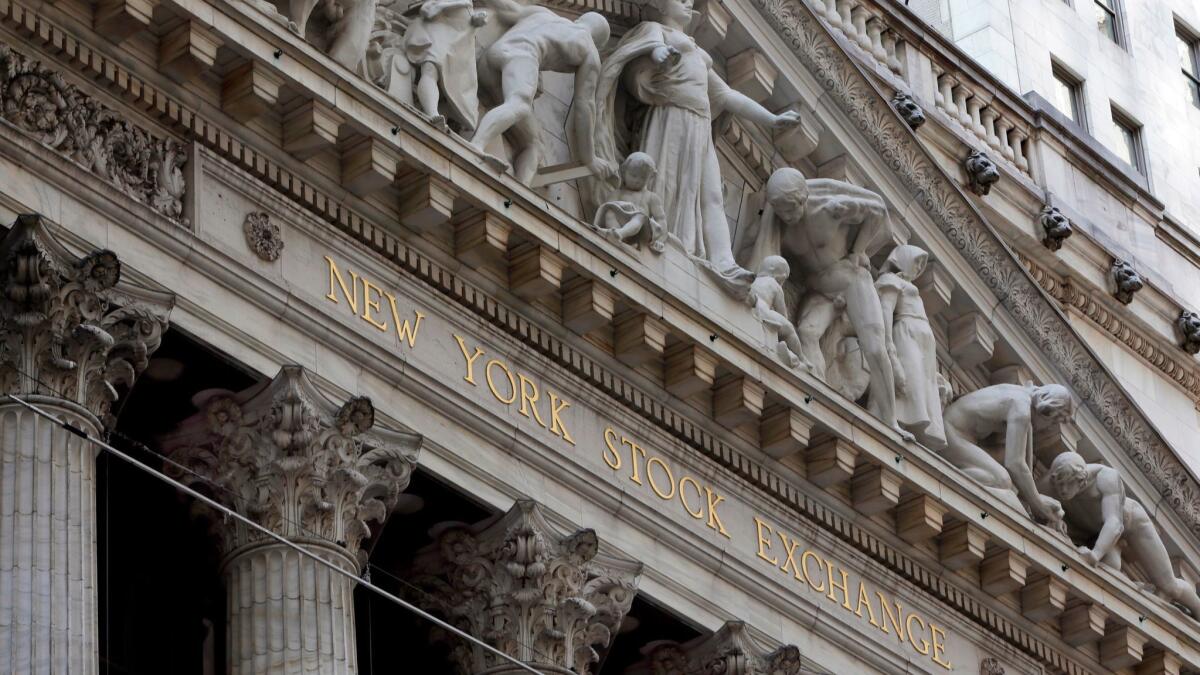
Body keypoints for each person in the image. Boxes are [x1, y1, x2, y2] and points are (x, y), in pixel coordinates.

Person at [581, 0, 800, 297]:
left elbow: (726, 95)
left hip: (698, 126)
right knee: (665, 184)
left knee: (710, 196)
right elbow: (642, 61)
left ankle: (723, 261)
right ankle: (661, 236)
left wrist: (771, 119)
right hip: (670, 117)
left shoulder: (698, 53)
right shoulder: (656, 32)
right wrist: (660, 56)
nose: (687, 2)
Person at [735, 168, 909, 440]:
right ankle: (817, 388)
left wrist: (857, 251)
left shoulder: (828, 204)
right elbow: (755, 252)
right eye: (782, 210)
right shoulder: (777, 222)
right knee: (806, 332)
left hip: (851, 279)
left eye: (792, 208)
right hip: (818, 287)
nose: (789, 216)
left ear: (803, 198)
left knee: (875, 348)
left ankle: (891, 423)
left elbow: (878, 211)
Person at [1041, 452, 1200, 620]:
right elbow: (1032, 496)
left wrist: (1094, 554)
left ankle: (1197, 607)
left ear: (1081, 479)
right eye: (1059, 484)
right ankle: (1139, 589)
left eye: (1068, 484)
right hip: (1095, 533)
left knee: (1168, 585)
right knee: (1110, 569)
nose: (1063, 490)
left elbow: (1114, 523)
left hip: (1130, 525)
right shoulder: (1051, 483)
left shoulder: (1106, 477)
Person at [471, 0, 613, 184]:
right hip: (522, 58)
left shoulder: (542, 14)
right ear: (598, 42)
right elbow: (585, 106)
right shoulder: (590, 51)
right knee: (519, 105)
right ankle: (476, 145)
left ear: (580, 19)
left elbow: (506, 8)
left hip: (491, 58)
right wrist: (590, 158)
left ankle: (518, 192)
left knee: (535, 143)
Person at [942, 383, 1073, 528]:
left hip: (965, 436)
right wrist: (1039, 505)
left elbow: (1022, 469)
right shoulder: (1021, 409)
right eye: (1053, 421)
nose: (1048, 427)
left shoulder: (1022, 396)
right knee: (1001, 480)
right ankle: (946, 480)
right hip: (952, 434)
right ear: (1046, 411)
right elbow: (1015, 464)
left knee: (1009, 484)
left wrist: (1033, 499)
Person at [873, 245, 945, 448]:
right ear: (902, 259)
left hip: (923, 340)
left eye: (923, 263)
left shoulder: (907, 284)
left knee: (921, 384)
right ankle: (890, 418)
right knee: (907, 380)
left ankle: (915, 429)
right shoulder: (891, 280)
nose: (920, 266)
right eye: (917, 261)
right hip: (906, 333)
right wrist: (889, 345)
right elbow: (886, 309)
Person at [402, 0, 489, 131]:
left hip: (457, 43)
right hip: (436, 31)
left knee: (456, 88)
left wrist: (475, 19)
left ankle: (447, 116)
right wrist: (454, 4)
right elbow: (428, 10)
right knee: (430, 70)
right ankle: (432, 113)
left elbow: (463, 20)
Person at [591, 153, 667, 251]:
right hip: (618, 224)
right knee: (610, 212)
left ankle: (620, 234)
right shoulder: (617, 193)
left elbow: (661, 219)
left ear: (651, 177)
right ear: (624, 171)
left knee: (640, 216)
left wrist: (660, 240)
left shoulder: (651, 197)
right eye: (633, 175)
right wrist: (624, 206)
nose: (637, 180)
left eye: (642, 178)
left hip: (639, 232)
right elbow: (607, 207)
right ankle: (614, 234)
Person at [748, 256, 811, 371]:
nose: (783, 281)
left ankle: (784, 350)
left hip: (752, 307)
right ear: (775, 272)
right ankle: (801, 358)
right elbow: (782, 314)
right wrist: (785, 325)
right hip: (762, 309)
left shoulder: (755, 280)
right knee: (789, 328)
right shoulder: (774, 285)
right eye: (783, 277)